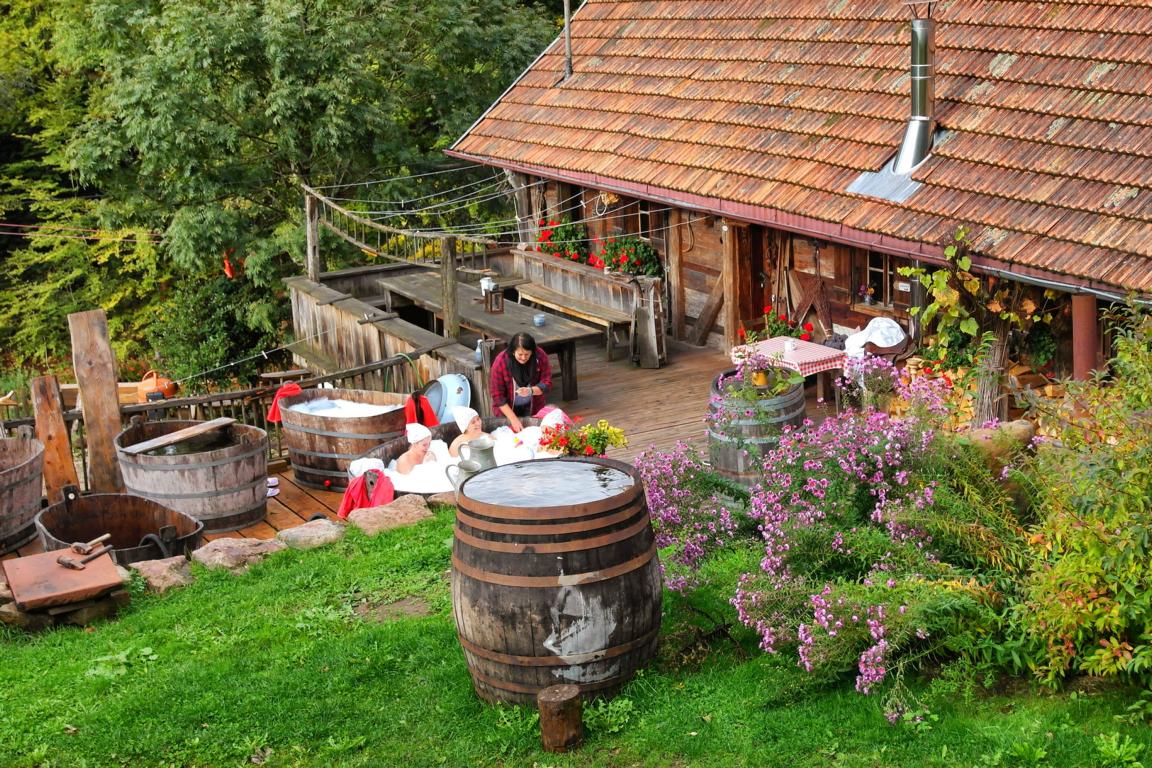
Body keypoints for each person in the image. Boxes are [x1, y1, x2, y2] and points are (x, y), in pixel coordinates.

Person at [489, 332, 551, 432]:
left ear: (532, 351)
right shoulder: (501, 362)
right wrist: (513, 419)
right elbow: (498, 396)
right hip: (507, 411)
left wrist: (530, 391)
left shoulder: (540, 356)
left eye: (527, 354)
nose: (523, 358)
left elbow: (547, 384)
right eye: (520, 354)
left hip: (534, 408)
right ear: (513, 352)